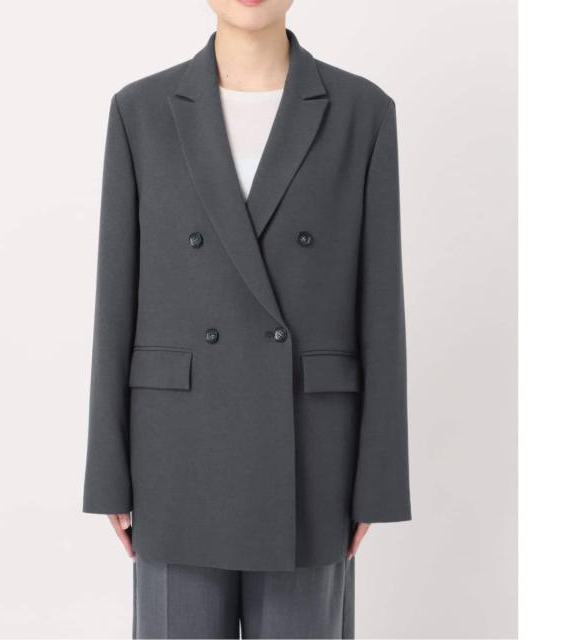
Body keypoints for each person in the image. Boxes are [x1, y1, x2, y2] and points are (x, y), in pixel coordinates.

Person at [83, 0, 411, 637]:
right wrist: (108, 473)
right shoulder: (140, 112)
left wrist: (378, 480)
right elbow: (115, 302)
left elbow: (380, 307)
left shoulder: (362, 112)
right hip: (176, 453)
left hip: (311, 458)